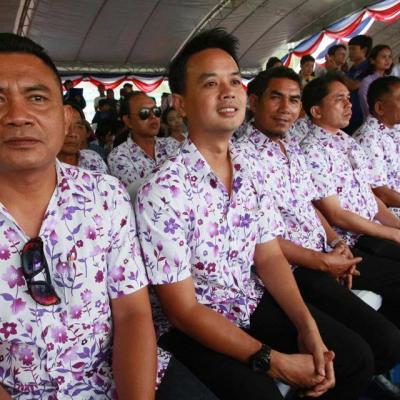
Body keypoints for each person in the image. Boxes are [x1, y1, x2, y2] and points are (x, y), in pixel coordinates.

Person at [135, 27, 374, 400]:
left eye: (234, 81)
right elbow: (183, 310)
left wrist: (307, 326)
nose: (228, 91)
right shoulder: (162, 191)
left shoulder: (248, 167)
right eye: (210, 83)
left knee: (352, 359)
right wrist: (273, 361)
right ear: (180, 104)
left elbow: (268, 254)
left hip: (247, 299)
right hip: (195, 324)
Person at [0, 32, 156, 399]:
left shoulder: (105, 195)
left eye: (36, 98)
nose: (18, 116)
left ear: (64, 115)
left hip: (112, 376)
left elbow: (132, 313)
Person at [234, 66, 400, 397]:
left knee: (382, 341)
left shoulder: (289, 149)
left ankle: (373, 373)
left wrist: (335, 243)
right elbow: (259, 240)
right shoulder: (240, 158)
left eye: (293, 100)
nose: (286, 108)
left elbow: (310, 207)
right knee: (364, 353)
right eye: (276, 98)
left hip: (325, 255)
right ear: (253, 102)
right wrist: (323, 261)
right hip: (292, 270)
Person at [108, 91, 177, 188]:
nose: (153, 116)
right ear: (128, 120)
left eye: (156, 111)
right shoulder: (118, 156)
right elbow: (141, 192)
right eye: (144, 113)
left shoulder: (172, 144)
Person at [354, 76, 400, 217]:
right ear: (380, 108)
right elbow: (381, 193)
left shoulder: (395, 128)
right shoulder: (368, 139)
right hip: (391, 213)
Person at [57, 102, 109, 174]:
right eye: (64, 125)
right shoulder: (43, 169)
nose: (73, 134)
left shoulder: (93, 158)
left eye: (78, 127)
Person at [342, 35, 373, 134]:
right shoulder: (352, 68)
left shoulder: (369, 68)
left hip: (361, 114)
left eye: (353, 49)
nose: (350, 52)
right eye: (349, 49)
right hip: (350, 112)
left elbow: (353, 85)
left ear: (364, 50)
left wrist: (337, 72)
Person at [358, 44, 393, 118]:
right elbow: (367, 107)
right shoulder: (367, 81)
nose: (387, 60)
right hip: (375, 121)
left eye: (390, 56)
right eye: (383, 57)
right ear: (372, 60)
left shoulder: (390, 80)